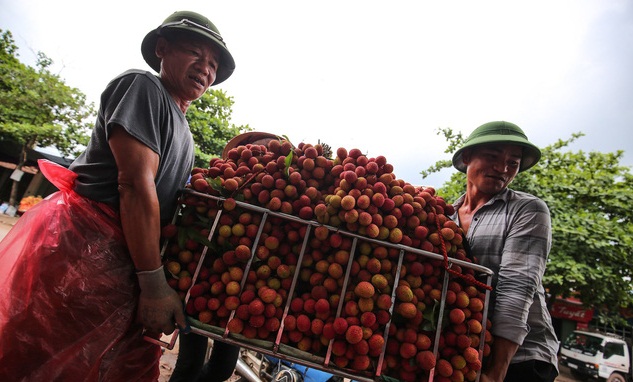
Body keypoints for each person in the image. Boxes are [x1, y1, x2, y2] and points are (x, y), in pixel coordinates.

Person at [0, 10, 235, 381]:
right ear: (162, 48)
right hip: (82, 255)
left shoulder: (186, 133)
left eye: (213, 64)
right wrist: (153, 282)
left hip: (119, 267)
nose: (205, 69)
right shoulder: (142, 87)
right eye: (195, 54)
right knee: (39, 359)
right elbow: (134, 185)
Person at [449, 121, 559, 382]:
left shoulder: (528, 209)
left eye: (513, 162)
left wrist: (497, 372)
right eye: (493, 156)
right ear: (467, 157)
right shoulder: (446, 216)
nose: (503, 169)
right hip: (469, 352)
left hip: (521, 358)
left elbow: (517, 287)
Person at [170, 131, 282, 382]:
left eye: (269, 151)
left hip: (242, 289)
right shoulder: (217, 185)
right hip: (200, 278)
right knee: (189, 362)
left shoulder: (275, 194)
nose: (263, 154)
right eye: (258, 150)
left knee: (223, 367)